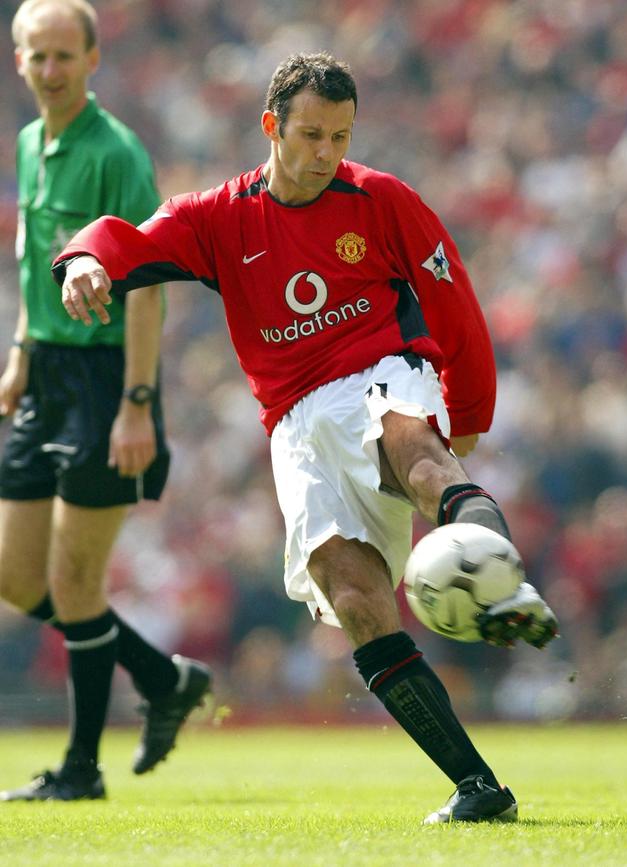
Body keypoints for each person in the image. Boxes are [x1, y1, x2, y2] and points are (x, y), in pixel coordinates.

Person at [55, 52, 558, 823]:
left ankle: (500, 579)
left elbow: (452, 300)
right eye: (313, 135)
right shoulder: (219, 217)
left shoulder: (382, 198)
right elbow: (134, 240)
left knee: (414, 453)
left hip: (382, 374)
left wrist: (470, 416)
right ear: (272, 126)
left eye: (341, 137)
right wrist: (87, 259)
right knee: (357, 599)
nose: (328, 153)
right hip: (293, 425)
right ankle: (478, 786)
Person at [0, 0, 212, 802]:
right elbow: (33, 264)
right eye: (35, 56)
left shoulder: (118, 152)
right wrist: (21, 350)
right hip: (46, 372)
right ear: (18, 60)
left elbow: (148, 292)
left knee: (79, 583)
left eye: (63, 55)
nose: (49, 70)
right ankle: (165, 679)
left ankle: (81, 770)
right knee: (19, 578)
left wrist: (136, 403)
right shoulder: (28, 142)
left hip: (104, 380)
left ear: (93, 59)